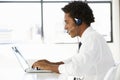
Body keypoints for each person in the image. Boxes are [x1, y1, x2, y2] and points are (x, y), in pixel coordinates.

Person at [32, 1, 115, 80]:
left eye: (67, 22)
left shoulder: (92, 39)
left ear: (78, 21)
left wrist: (49, 67)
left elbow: (76, 68)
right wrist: (51, 64)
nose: (65, 27)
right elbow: (76, 60)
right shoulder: (90, 37)